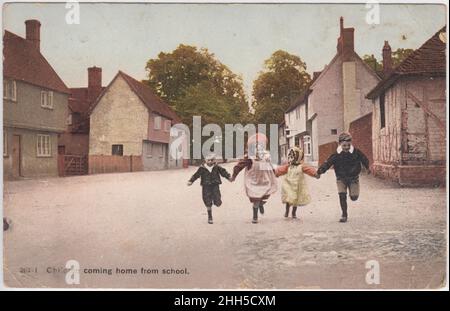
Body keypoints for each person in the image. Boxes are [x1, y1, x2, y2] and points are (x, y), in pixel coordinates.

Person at [316, 132, 370, 223]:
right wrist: (320, 171)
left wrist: (367, 167)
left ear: (351, 143)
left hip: (353, 178)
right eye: (344, 145)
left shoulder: (356, 152)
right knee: (342, 195)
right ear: (340, 144)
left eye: (348, 145)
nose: (346, 148)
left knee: (354, 197)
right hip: (341, 178)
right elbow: (327, 163)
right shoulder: (336, 154)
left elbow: (364, 159)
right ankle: (344, 214)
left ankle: (353, 194)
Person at [230, 133, 278, 224]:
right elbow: (238, 166)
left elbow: (270, 166)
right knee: (255, 198)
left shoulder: (266, 157)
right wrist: (233, 176)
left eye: (261, 147)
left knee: (266, 193)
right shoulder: (249, 158)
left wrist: (275, 172)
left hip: (264, 179)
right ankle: (255, 216)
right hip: (253, 181)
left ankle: (261, 203)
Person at [187, 153, 232, 224]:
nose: (210, 162)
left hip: (215, 185)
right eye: (208, 160)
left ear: (214, 160)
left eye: (212, 160)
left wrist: (229, 177)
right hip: (206, 186)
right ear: (205, 160)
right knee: (207, 201)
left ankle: (217, 202)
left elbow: (223, 172)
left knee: (217, 201)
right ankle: (210, 217)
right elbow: (196, 175)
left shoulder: (217, 167)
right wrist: (191, 181)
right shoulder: (202, 168)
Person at [275, 146, 317, 219]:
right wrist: (275, 173)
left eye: (293, 157)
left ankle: (293, 213)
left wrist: (315, 174)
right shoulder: (288, 166)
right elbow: (281, 170)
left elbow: (309, 170)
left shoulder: (301, 166)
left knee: (295, 200)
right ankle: (287, 211)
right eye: (290, 157)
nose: (291, 159)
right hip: (288, 185)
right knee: (288, 198)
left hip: (297, 186)